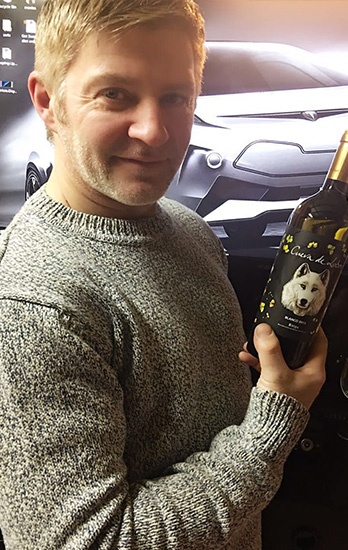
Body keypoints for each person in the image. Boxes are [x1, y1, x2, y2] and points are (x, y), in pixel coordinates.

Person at [0, 1, 327, 548]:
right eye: (115, 94)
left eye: (176, 97)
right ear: (48, 102)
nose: (154, 132)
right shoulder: (33, 306)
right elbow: (91, 540)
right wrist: (272, 425)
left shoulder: (189, 229)